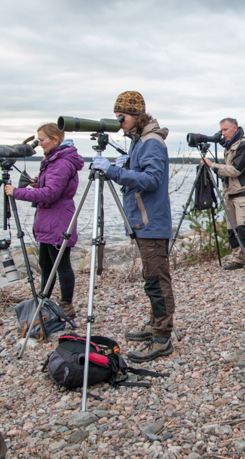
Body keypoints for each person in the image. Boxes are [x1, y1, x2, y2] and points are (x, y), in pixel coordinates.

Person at [91, 90, 175, 363]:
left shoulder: (151, 142)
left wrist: (113, 171)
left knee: (157, 282)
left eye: (122, 115)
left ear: (137, 115)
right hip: (144, 222)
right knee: (151, 278)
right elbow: (140, 175)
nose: (118, 120)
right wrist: (124, 164)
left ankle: (162, 339)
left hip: (151, 224)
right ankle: (154, 325)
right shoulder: (139, 141)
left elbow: (151, 180)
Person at [5, 123, 84, 318]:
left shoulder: (61, 162)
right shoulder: (54, 160)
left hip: (57, 220)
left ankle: (66, 305)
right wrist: (36, 183)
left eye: (41, 140)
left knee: (61, 264)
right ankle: (44, 299)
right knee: (45, 263)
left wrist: (17, 192)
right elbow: (53, 186)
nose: (38, 143)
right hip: (49, 219)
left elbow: (51, 194)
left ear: (55, 140)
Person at [201, 118, 245, 270]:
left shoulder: (244, 145)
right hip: (230, 192)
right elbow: (230, 169)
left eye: (225, 130)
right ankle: (239, 258)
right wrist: (221, 168)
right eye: (221, 130)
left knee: (243, 225)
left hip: (243, 191)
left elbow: (236, 170)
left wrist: (212, 165)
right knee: (232, 228)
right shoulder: (230, 147)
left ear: (235, 128)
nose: (222, 134)